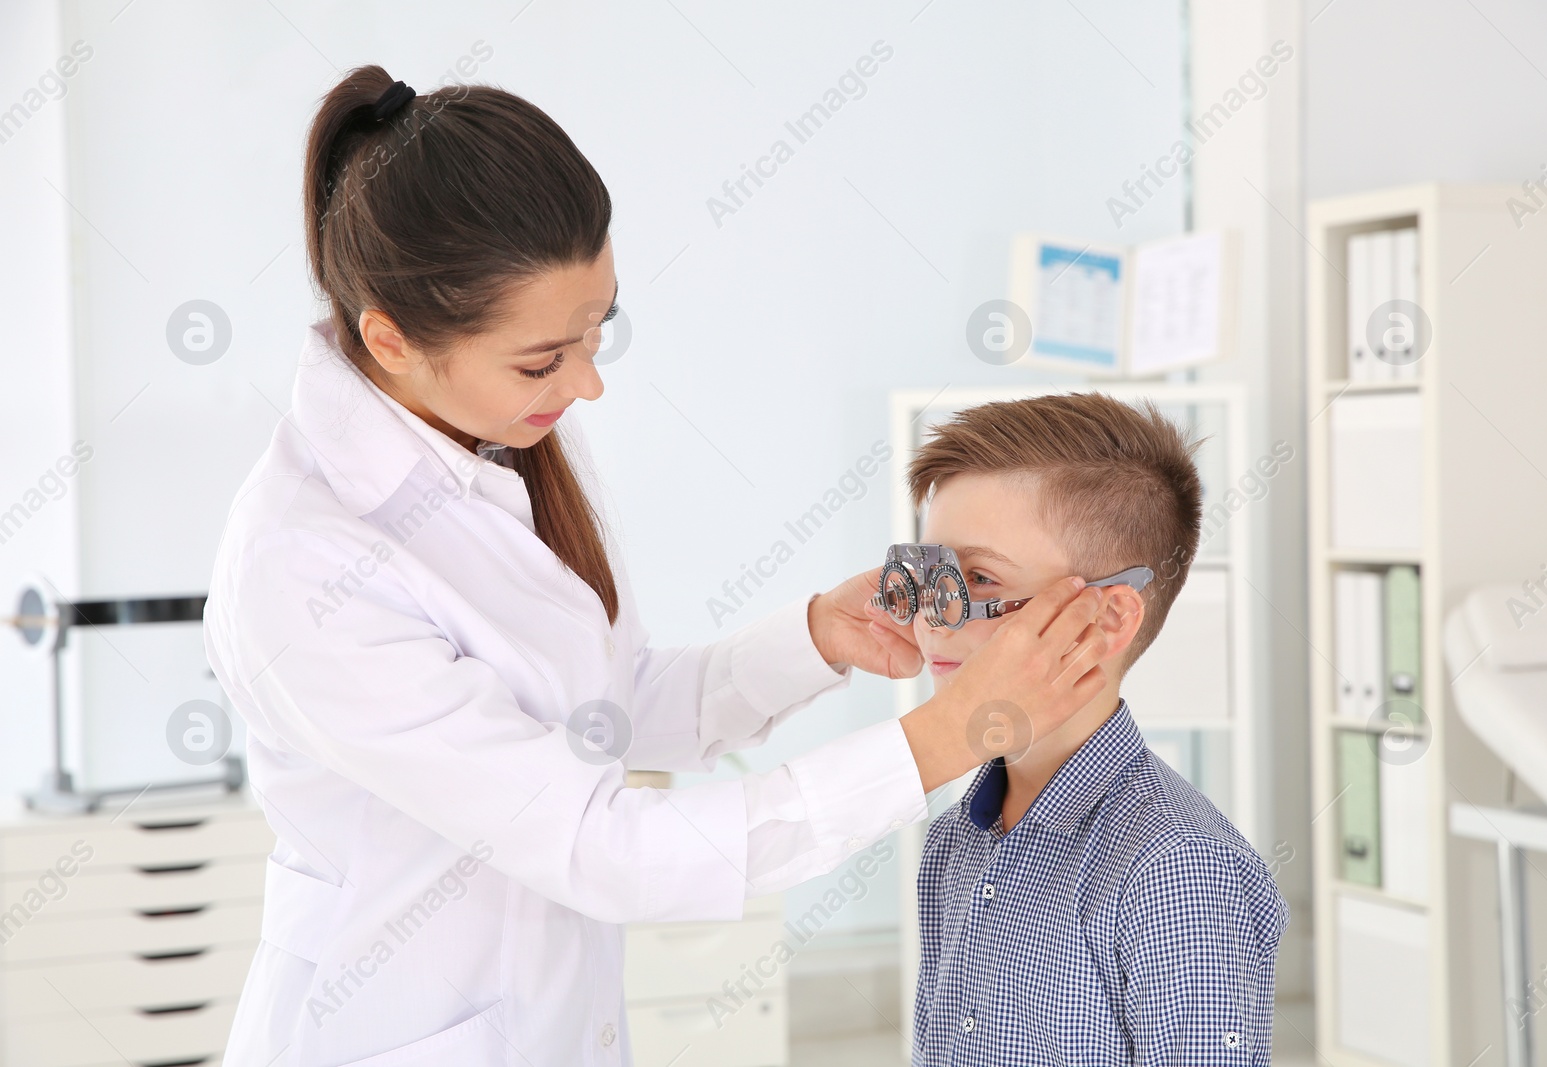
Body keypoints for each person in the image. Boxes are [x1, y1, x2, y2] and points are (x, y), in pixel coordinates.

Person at [201, 67, 1114, 1065]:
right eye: (544, 358)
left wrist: (814, 638)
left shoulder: (503, 426)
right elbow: (605, 847)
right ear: (392, 339)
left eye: (599, 331)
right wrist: (941, 736)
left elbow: (604, 705)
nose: (586, 383)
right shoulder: (304, 565)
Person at [909, 393, 1290, 1066]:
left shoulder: (1174, 867)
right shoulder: (952, 842)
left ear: (1107, 619)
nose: (934, 615)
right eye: (930, 576)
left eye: (979, 576)